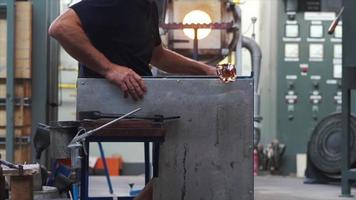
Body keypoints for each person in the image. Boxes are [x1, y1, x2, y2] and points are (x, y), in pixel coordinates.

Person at [49, 0, 216, 101]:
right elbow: (61, 27)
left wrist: (206, 70)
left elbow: (158, 56)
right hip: (106, 99)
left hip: (140, 98)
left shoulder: (149, 7)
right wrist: (110, 69)